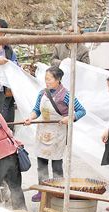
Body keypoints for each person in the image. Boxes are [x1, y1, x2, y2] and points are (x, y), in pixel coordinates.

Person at [24, 66, 87, 202]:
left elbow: (81, 110)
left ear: (58, 79)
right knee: (41, 162)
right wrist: (31, 117)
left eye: (49, 79)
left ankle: (58, 190)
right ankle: (43, 191)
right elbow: (36, 110)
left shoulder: (67, 95)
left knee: (56, 164)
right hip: (43, 132)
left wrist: (69, 118)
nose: (46, 82)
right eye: (45, 79)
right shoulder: (42, 93)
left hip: (58, 133)